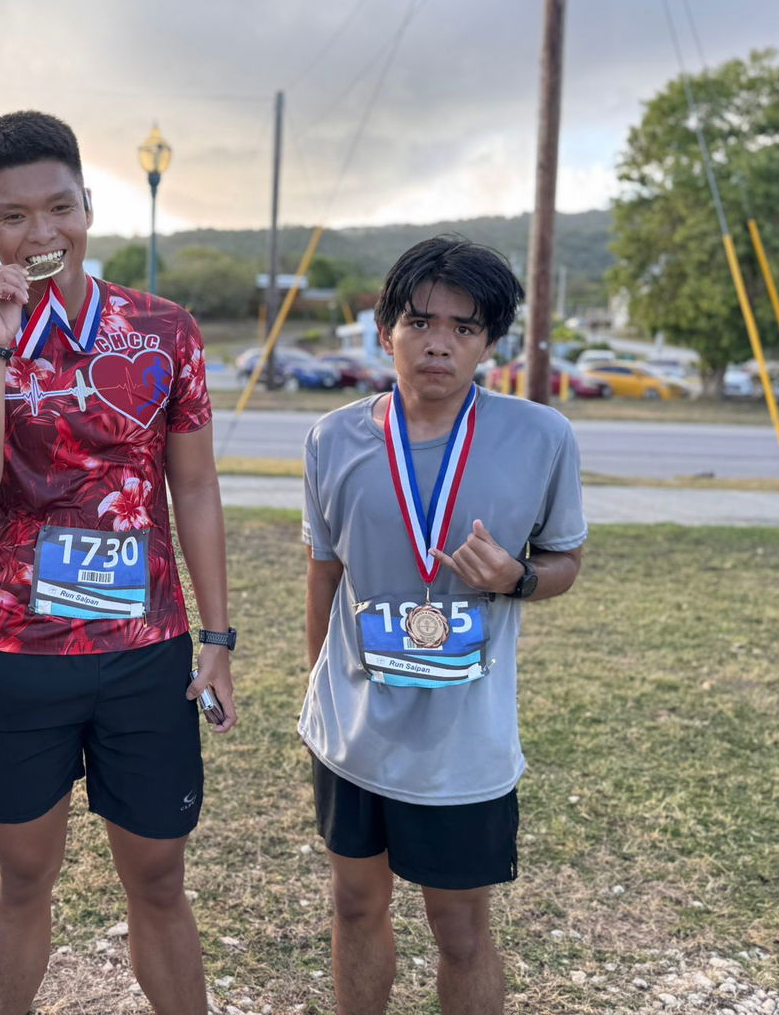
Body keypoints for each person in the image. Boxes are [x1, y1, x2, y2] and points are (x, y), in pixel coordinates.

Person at [0, 110, 236, 1015]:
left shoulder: (164, 330)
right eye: (14, 217)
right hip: (23, 655)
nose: (42, 233)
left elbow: (198, 489)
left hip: (147, 654)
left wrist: (217, 637)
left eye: (60, 208)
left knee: (160, 878)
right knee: (24, 879)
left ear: (89, 208)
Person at [300, 236, 587, 1015]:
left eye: (464, 327)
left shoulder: (541, 437)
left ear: (488, 343)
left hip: (464, 741)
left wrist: (520, 578)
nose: (439, 341)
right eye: (420, 320)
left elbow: (565, 559)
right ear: (386, 327)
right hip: (353, 729)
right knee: (355, 907)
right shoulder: (333, 438)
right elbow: (325, 571)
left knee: (459, 929)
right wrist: (319, 689)